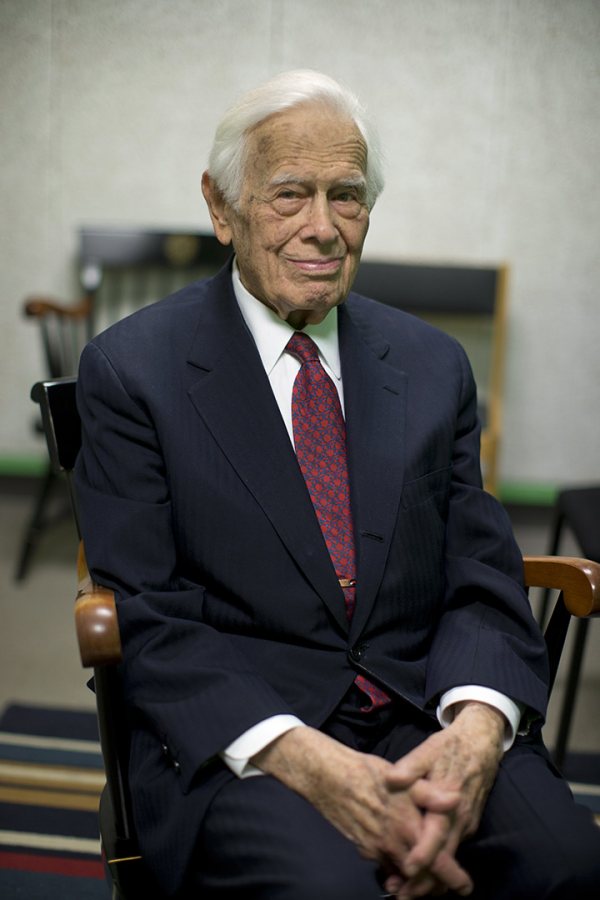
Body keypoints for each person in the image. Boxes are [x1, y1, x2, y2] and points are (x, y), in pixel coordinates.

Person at [74, 70, 600, 899]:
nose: (322, 228)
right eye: (289, 195)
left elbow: (482, 575)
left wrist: (474, 732)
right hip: (249, 734)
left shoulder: (432, 366)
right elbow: (147, 614)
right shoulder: (133, 371)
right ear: (222, 208)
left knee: (567, 864)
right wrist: (313, 764)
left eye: (346, 197)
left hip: (424, 708)